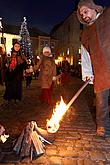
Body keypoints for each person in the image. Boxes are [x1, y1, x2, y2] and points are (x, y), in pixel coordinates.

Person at [77, 0, 110, 136]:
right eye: (81, 14)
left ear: (94, 9)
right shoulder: (85, 35)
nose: (84, 15)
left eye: (86, 11)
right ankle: (101, 126)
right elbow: (85, 56)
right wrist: (88, 73)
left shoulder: (107, 17)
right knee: (101, 100)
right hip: (100, 69)